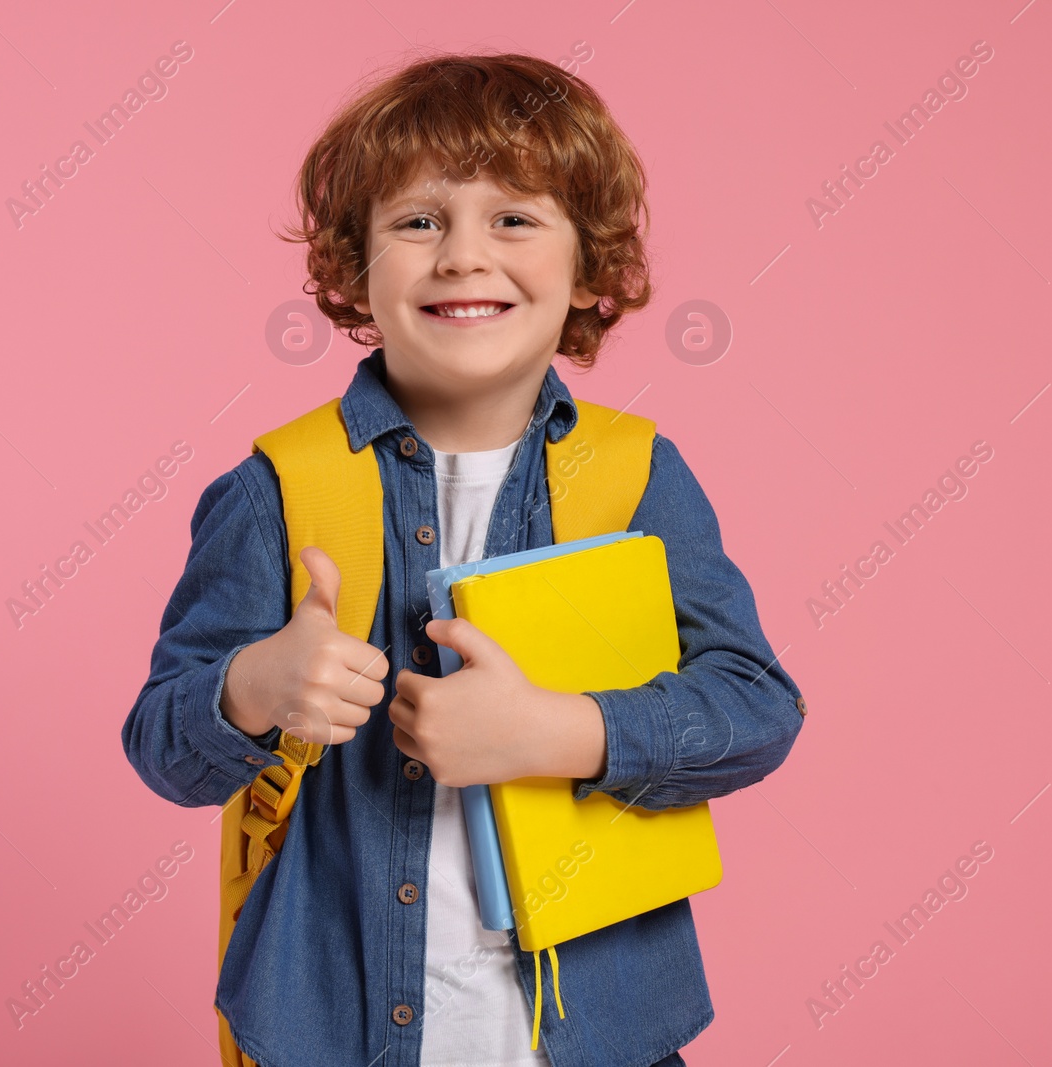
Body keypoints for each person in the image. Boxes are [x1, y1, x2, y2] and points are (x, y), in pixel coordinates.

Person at [120, 51, 807, 1067]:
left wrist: (560, 730)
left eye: (515, 218)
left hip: (595, 1031)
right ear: (356, 266)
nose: (462, 257)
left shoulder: (635, 474)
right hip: (333, 1030)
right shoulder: (279, 488)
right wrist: (253, 685)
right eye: (417, 221)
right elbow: (162, 746)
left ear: (589, 263)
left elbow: (757, 707)